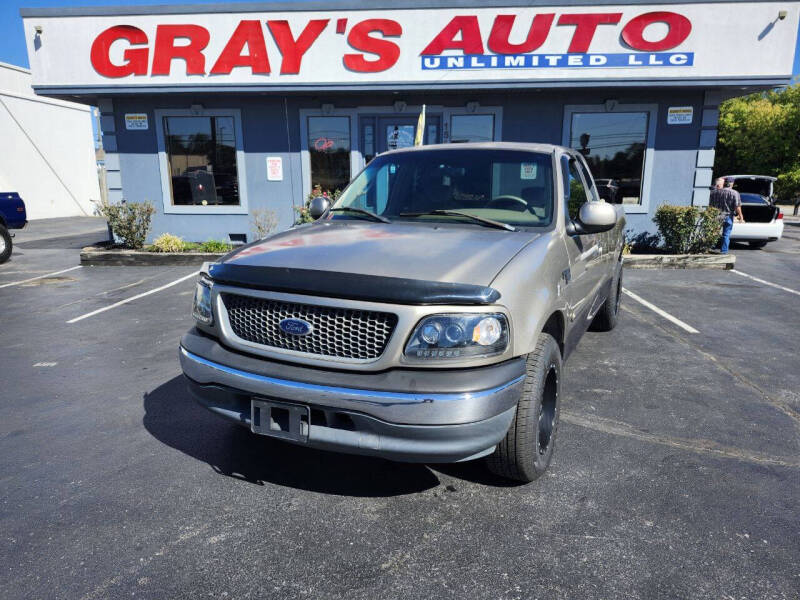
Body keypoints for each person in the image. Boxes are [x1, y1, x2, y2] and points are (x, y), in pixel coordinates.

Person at [709, 177, 744, 253]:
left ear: (724, 183)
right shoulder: (735, 193)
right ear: (732, 184)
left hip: (716, 216)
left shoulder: (715, 192)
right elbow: (737, 206)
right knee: (726, 235)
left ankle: (709, 248)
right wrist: (741, 216)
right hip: (728, 216)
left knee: (713, 232)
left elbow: (710, 205)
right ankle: (724, 251)